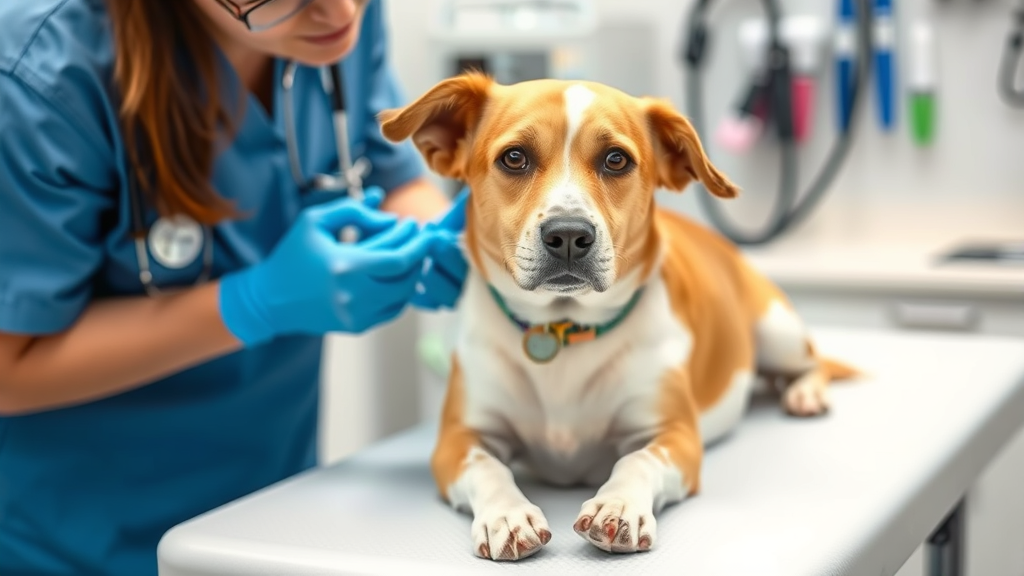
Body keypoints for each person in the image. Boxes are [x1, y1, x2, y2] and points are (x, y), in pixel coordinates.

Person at [0, 0, 469, 574]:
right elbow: (8, 369)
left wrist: (444, 239)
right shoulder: (37, 79)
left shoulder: (342, 21)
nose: (339, 11)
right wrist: (251, 304)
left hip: (267, 515)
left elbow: (386, 170)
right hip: (81, 538)